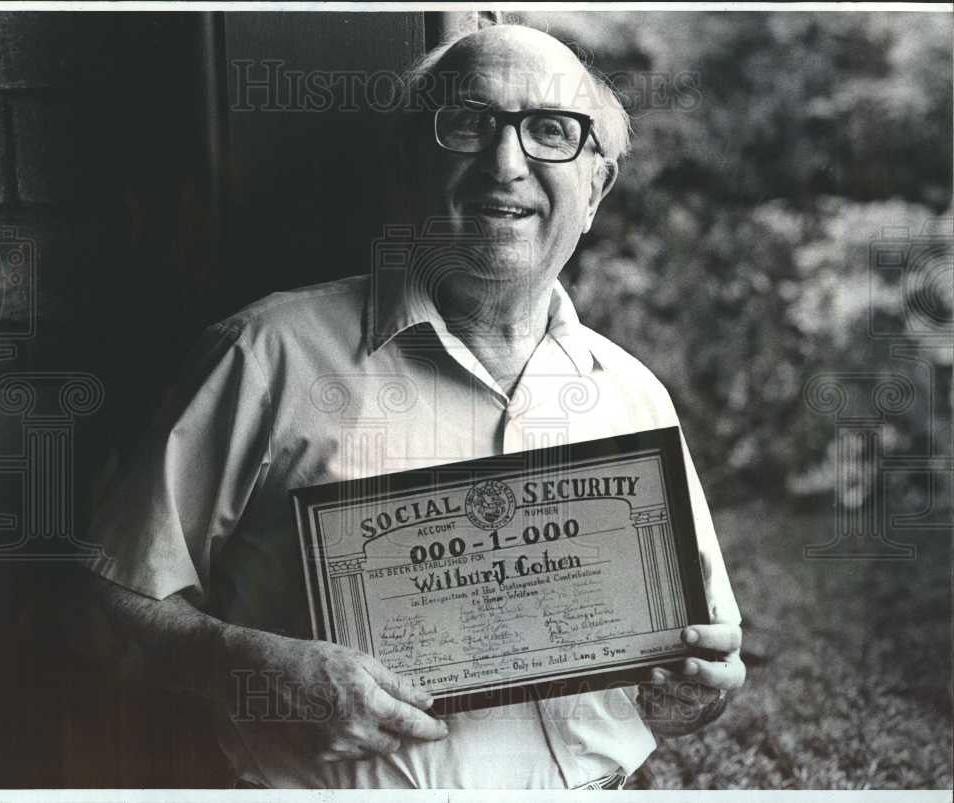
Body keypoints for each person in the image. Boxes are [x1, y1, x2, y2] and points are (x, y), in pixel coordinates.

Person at [77, 24, 745, 790]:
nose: (505, 163)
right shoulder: (264, 356)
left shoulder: (632, 393)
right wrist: (247, 666)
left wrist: (701, 693)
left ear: (594, 189)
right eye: (468, 123)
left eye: (551, 131)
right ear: (409, 165)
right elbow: (102, 605)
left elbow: (697, 664)